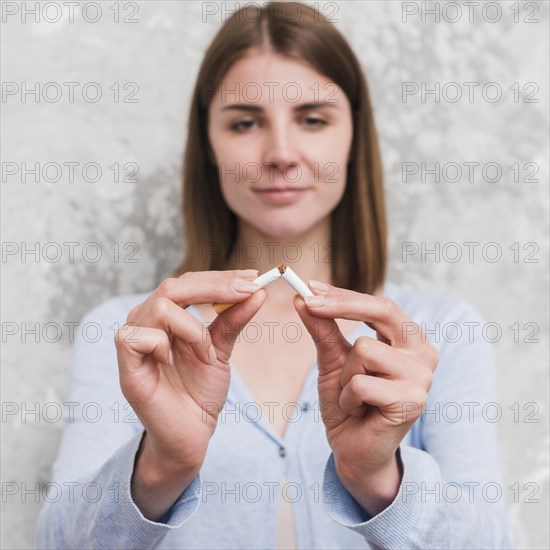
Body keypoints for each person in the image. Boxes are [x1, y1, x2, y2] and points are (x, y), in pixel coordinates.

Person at [36, 2, 515, 548]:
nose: (281, 153)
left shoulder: (439, 332)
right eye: (245, 122)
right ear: (209, 144)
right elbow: (58, 543)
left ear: (354, 136)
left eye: (312, 119)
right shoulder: (131, 335)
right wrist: (160, 464)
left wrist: (379, 478)